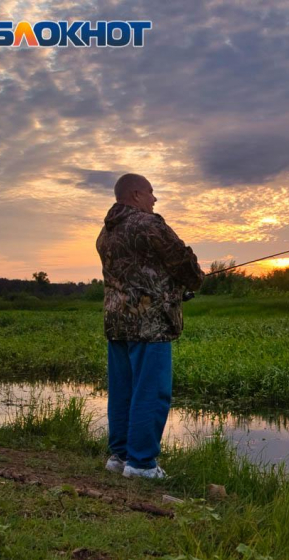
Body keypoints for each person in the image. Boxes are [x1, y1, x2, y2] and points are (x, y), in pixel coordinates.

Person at [96, 173, 205, 479]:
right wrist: (194, 278)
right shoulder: (148, 224)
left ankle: (120, 457)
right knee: (151, 391)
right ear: (135, 195)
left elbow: (138, 273)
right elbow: (183, 263)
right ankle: (141, 464)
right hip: (150, 323)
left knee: (123, 391)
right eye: (151, 193)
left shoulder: (105, 233)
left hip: (116, 322)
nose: (155, 199)